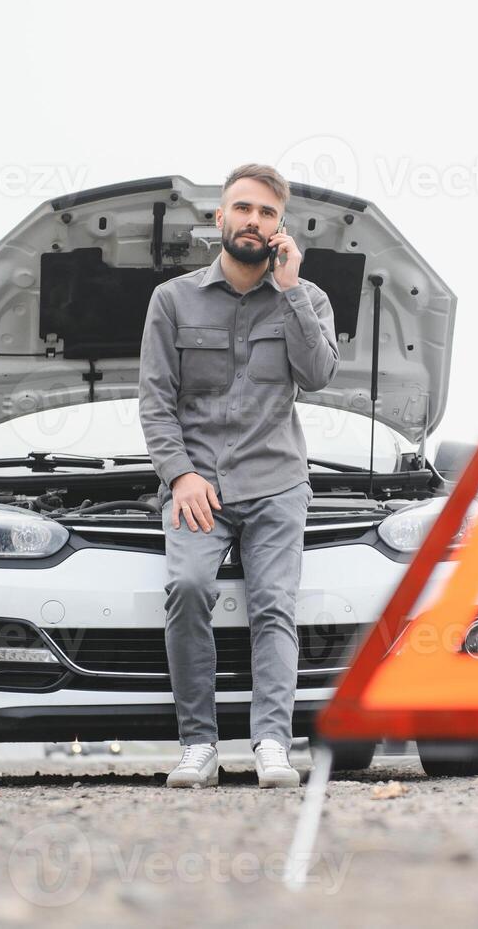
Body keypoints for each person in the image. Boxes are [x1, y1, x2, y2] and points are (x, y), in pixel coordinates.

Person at [137, 163, 339, 789]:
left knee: (274, 606)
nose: (254, 221)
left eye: (267, 213)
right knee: (189, 589)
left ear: (281, 228)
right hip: (200, 488)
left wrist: (293, 286)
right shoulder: (172, 300)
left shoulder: (307, 299)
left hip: (277, 483)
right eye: (243, 209)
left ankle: (272, 743)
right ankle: (199, 745)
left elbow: (320, 373)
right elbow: (155, 400)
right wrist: (179, 476)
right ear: (219, 218)